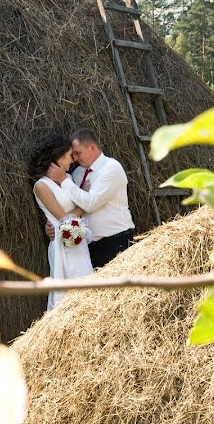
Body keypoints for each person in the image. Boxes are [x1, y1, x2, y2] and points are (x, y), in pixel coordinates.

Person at [46, 129, 135, 269]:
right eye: (72, 154)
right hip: (88, 246)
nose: (74, 158)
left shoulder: (111, 167)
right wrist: (53, 224)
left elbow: (91, 203)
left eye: (78, 153)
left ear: (92, 148)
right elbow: (69, 204)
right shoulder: (77, 173)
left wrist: (63, 180)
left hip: (115, 240)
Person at [29, 134, 94, 310]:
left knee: (85, 286)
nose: (72, 161)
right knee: (68, 295)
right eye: (68, 156)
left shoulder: (68, 179)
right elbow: (63, 218)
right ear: (58, 158)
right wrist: (84, 203)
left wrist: (82, 198)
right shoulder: (42, 186)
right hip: (62, 244)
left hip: (76, 239)